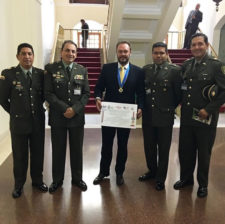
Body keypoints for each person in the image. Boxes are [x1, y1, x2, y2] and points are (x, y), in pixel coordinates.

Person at [174, 33, 225, 197]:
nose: (196, 47)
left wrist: (209, 109)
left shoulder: (216, 66)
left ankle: (203, 184)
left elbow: (223, 91)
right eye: (193, 45)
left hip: (205, 118)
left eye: (200, 44)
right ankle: (186, 179)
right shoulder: (187, 64)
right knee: (185, 151)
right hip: (188, 116)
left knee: (203, 153)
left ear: (207, 45)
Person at [93, 41, 145, 186]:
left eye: (125, 51)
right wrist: (97, 98)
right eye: (120, 51)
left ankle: (119, 173)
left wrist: (141, 107)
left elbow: (141, 93)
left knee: (123, 145)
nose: (123, 54)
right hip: (109, 114)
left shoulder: (138, 71)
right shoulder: (107, 68)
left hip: (126, 116)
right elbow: (98, 88)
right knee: (106, 145)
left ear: (130, 52)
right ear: (117, 52)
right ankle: (103, 172)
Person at [0, 43, 48, 198]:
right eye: (23, 53)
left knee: (38, 153)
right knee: (20, 155)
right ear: (17, 56)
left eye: (30, 54)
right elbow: (2, 99)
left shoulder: (41, 74)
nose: (27, 57)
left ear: (33, 56)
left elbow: (44, 96)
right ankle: (18, 185)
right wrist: (15, 113)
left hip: (37, 122)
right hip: (19, 123)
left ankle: (37, 181)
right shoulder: (9, 75)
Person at [44, 40, 90, 193]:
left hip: (76, 118)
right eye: (67, 50)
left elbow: (86, 93)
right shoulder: (51, 69)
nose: (70, 54)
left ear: (76, 54)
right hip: (58, 117)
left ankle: (77, 179)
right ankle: (57, 180)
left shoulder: (82, 70)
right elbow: (48, 93)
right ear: (61, 52)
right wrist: (65, 108)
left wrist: (74, 109)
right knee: (58, 150)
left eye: (73, 51)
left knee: (77, 150)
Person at [139, 42, 183, 191]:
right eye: (156, 53)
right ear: (152, 54)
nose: (158, 56)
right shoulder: (146, 70)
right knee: (149, 148)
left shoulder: (175, 71)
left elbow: (178, 95)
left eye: (161, 53)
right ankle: (152, 171)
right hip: (148, 117)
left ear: (166, 54)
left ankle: (160, 178)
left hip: (165, 117)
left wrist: (168, 108)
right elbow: (142, 91)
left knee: (163, 149)